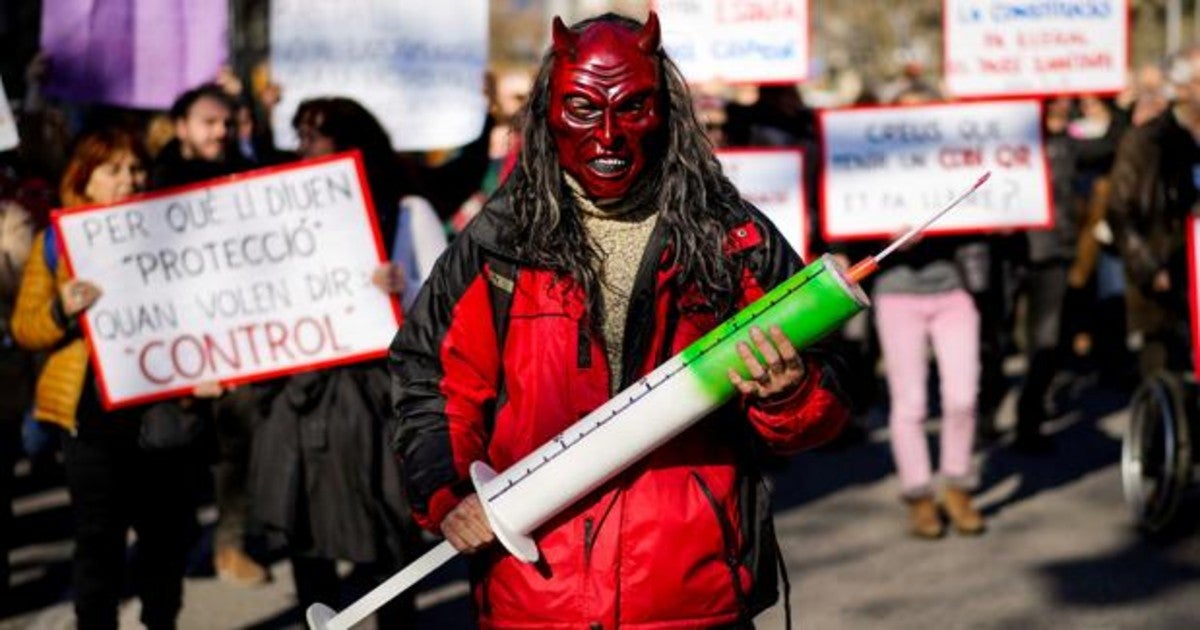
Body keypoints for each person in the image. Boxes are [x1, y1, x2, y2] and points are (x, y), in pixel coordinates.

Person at [390, 13, 850, 627]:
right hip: (539, 594)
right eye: (582, 107)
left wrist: (790, 394)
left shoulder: (729, 237)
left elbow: (830, 388)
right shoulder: (500, 243)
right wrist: (452, 494)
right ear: (548, 111)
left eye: (631, 107)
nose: (607, 135)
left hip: (690, 593)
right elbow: (432, 380)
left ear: (667, 111)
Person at [10, 128, 216, 630]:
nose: (130, 179)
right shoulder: (56, 243)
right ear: (85, 180)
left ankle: (159, 622)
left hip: (164, 414)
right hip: (91, 420)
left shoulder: (176, 234)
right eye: (115, 170)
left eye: (137, 169)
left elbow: (209, 310)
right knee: (98, 543)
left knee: (163, 543)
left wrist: (212, 370)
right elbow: (26, 327)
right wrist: (63, 308)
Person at [250, 97, 444, 623]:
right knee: (306, 529)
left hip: (376, 400)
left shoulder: (407, 211)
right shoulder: (281, 211)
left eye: (315, 135)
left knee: (385, 532)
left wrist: (396, 295)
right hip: (302, 395)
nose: (303, 147)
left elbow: (443, 311)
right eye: (299, 135)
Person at [152, 82, 268, 586]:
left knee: (234, 453)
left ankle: (229, 545)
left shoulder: (243, 177)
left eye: (227, 122)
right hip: (171, 348)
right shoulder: (152, 182)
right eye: (208, 122)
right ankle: (167, 551)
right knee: (171, 458)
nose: (219, 131)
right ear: (180, 126)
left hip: (234, 345)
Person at [1107, 47, 1200, 378]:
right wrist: (1148, 266)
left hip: (1195, 273)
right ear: (1184, 89)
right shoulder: (1146, 142)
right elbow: (1119, 210)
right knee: (1165, 373)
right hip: (1164, 275)